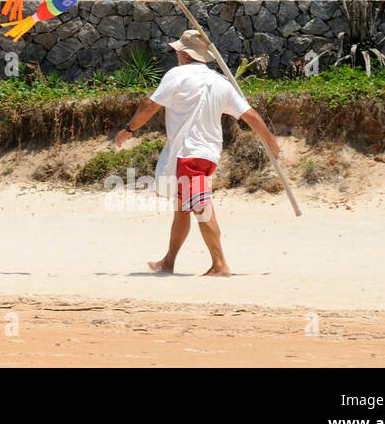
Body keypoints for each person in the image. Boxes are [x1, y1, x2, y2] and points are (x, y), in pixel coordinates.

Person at [111, 29, 282, 277]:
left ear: (182, 53)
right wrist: (271, 142)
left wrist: (129, 129)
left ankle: (220, 264)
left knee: (202, 207)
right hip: (207, 154)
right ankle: (168, 262)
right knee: (182, 208)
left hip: (189, 154)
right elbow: (251, 115)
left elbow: (149, 105)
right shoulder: (221, 82)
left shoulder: (178, 75)